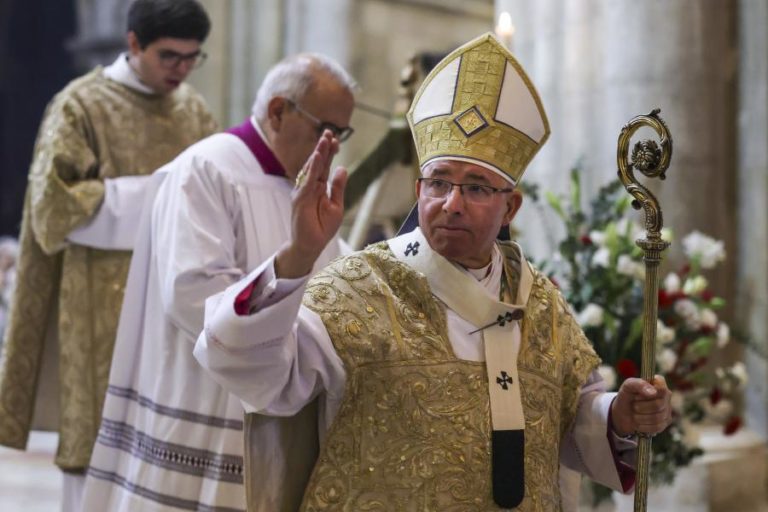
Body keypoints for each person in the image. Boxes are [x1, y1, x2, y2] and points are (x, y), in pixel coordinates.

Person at [195, 33, 673, 511]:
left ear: (511, 207)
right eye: (438, 182)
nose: (452, 204)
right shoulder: (358, 289)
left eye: (478, 188)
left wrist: (618, 415)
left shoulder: (541, 304)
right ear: (419, 188)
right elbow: (249, 370)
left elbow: (568, 424)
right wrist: (298, 255)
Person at [80, 53, 356, 512]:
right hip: (207, 406)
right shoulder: (205, 170)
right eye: (324, 130)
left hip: (278, 413)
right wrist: (276, 340)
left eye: (341, 135)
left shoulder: (304, 188)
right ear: (277, 111)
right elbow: (192, 293)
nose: (332, 147)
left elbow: (336, 277)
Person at [0, 1, 215, 510]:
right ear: (134, 43)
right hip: (98, 309)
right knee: (95, 449)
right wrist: (163, 196)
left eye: (192, 58)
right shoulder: (80, 105)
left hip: (172, 308)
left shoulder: (196, 111)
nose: (180, 70)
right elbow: (54, 209)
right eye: (169, 56)